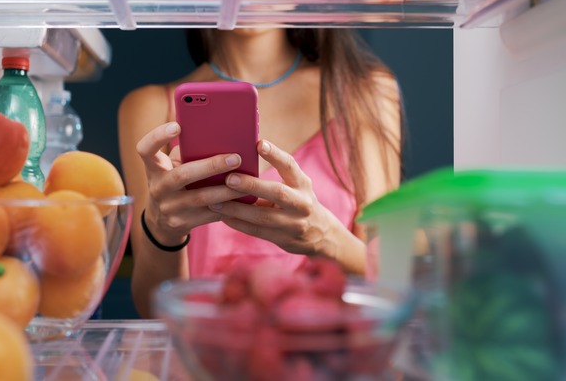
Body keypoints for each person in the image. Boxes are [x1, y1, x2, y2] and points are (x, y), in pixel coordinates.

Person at [118, 28, 403, 317]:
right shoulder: (148, 107)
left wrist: (324, 237)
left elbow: (392, 283)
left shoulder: (368, 92)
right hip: (202, 354)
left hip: (326, 351)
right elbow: (152, 310)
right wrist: (163, 229)